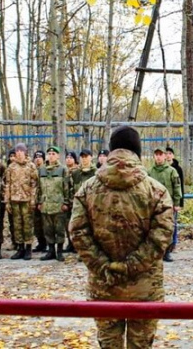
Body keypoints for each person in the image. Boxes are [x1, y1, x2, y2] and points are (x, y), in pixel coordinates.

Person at [70, 126, 174, 349]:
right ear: (137, 151)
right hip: (145, 288)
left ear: (111, 150)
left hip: (104, 285)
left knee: (109, 344)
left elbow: (78, 232)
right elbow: (161, 236)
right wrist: (130, 267)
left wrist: (104, 266)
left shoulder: (87, 189)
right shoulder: (157, 191)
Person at [4, 143, 40, 260]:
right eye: (17, 151)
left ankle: (28, 247)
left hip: (27, 199)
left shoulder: (31, 166)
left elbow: (34, 184)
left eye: (21, 151)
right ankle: (20, 248)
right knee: (17, 225)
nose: (18, 153)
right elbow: (7, 184)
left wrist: (33, 199)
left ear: (25, 152)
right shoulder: (11, 167)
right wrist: (7, 201)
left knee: (27, 224)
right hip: (15, 200)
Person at [148, 147, 182, 262]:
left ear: (164, 156)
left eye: (160, 154)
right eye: (156, 154)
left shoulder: (171, 171)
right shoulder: (150, 172)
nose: (158, 157)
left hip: (169, 205)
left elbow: (177, 187)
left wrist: (177, 203)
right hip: (154, 205)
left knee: (168, 228)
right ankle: (155, 252)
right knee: (153, 229)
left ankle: (167, 252)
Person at [37, 146, 69, 261]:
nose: (51, 156)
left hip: (58, 205)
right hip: (46, 205)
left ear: (58, 156)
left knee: (59, 229)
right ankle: (51, 251)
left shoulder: (63, 169)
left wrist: (66, 202)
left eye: (53, 154)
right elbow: (38, 188)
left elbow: (67, 188)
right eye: (49, 154)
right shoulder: (41, 170)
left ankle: (59, 251)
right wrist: (39, 202)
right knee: (48, 229)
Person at [166, 146, 185, 258]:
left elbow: (180, 187)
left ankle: (173, 243)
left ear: (173, 155)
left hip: (173, 201)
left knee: (174, 223)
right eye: (166, 153)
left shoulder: (178, 169)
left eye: (170, 153)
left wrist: (180, 203)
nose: (168, 155)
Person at [32, 150, 48, 254]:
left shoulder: (46, 170)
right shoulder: (32, 170)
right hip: (33, 200)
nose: (38, 159)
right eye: (36, 157)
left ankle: (46, 243)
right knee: (36, 223)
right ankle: (40, 242)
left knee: (45, 223)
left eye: (40, 157)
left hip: (43, 200)